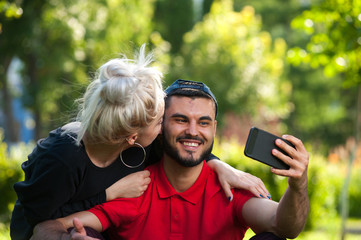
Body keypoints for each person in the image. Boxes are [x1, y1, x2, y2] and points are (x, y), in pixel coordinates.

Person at [11, 48, 269, 240]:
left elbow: (184, 148)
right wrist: (108, 195)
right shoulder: (63, 157)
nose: (163, 129)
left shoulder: (145, 145)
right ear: (131, 137)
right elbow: (39, 223)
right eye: (160, 123)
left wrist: (220, 166)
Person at [32, 79, 310, 240]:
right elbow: (47, 227)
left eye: (203, 122)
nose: (192, 131)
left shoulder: (231, 187)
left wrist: (298, 185)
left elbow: (286, 227)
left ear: (214, 129)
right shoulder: (135, 187)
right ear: (159, 126)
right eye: (180, 120)